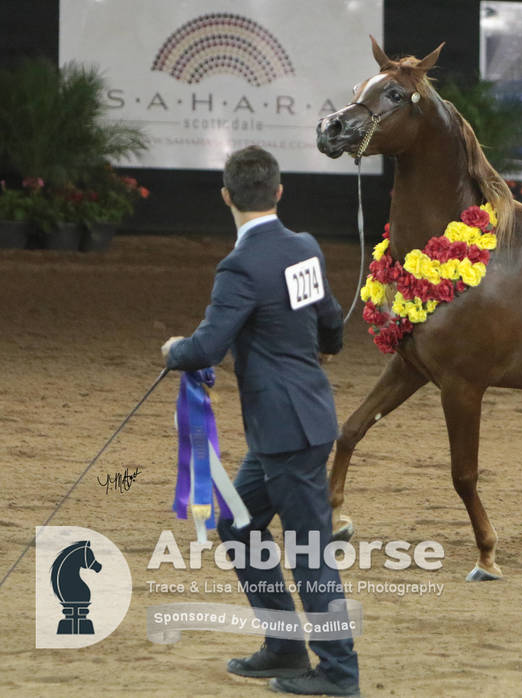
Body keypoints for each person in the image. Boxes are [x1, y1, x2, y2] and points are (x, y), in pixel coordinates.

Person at [161, 146, 359, 697]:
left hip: (285, 432)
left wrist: (174, 349)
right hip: (300, 424)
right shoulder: (304, 248)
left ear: (226, 197)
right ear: (279, 191)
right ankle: (286, 646)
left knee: (310, 555)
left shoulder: (239, 265)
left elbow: (207, 347)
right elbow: (328, 323)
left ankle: (340, 675)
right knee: (237, 524)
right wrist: (322, 348)